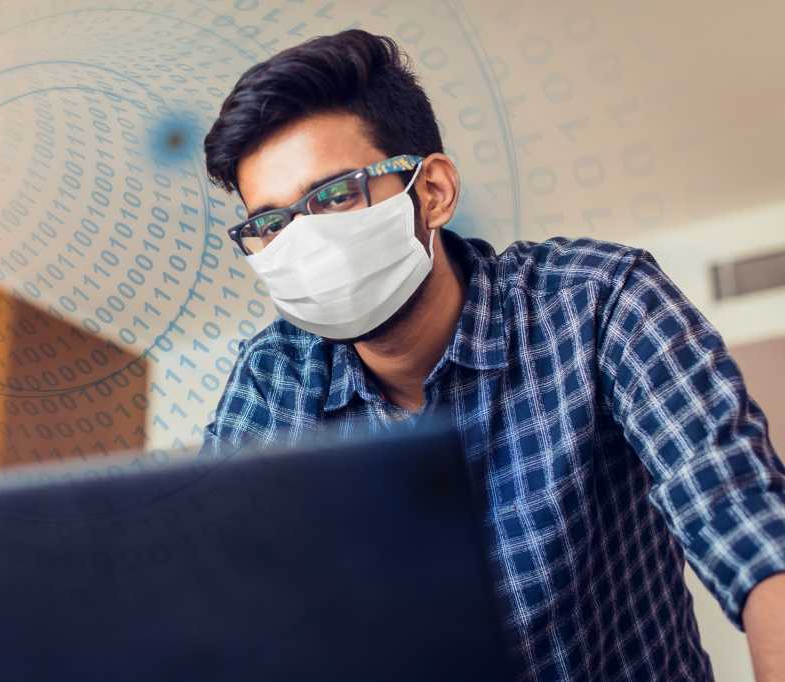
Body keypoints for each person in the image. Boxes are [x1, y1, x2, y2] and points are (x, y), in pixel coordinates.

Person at [199, 29, 785, 681]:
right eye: (272, 224)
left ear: (433, 192)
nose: (301, 242)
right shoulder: (272, 382)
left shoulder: (596, 302)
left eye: (335, 195)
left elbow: (754, 535)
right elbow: (219, 616)